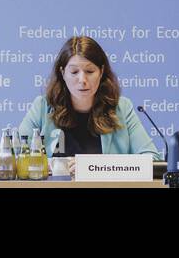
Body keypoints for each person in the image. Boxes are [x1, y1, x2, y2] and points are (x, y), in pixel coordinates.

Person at [19, 35, 158, 172]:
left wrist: (94, 166)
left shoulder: (121, 108)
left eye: (90, 71)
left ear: (101, 72)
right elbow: (17, 156)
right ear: (63, 73)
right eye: (74, 72)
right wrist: (57, 165)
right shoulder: (43, 107)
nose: (82, 80)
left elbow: (153, 159)